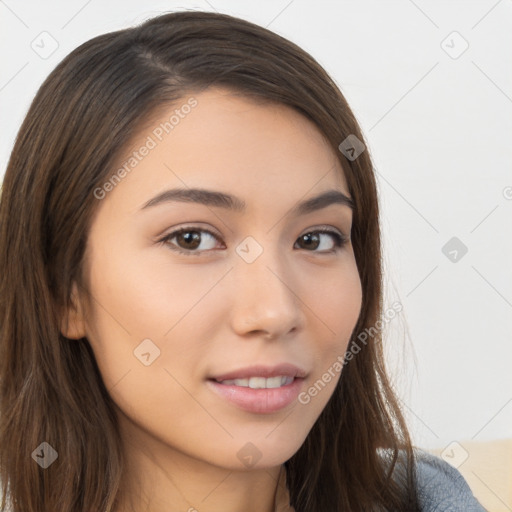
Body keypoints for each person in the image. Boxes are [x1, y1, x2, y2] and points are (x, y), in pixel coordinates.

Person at [0, 10, 485, 512]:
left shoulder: (432, 499)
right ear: (63, 289)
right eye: (191, 239)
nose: (275, 312)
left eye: (316, 239)